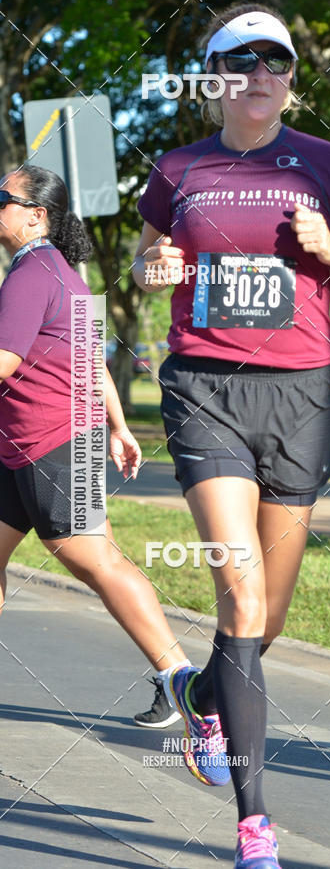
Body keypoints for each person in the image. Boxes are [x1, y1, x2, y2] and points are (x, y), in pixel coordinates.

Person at [133, 2, 330, 869]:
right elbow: (141, 267)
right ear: (214, 75)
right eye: (243, 58)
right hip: (205, 389)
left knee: (268, 621)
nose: (262, 73)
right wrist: (155, 268)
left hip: (301, 398)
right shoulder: (178, 169)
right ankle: (256, 825)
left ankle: (197, 691)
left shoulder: (329, 166)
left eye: (278, 60)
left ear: (291, 75)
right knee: (243, 602)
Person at [0, 164, 195, 730]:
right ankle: (175, 678)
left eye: (2, 197)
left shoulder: (33, 273)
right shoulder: (59, 271)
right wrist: (119, 426)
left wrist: (110, 428)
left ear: (36, 216)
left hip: (51, 442)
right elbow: (91, 358)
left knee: (96, 561)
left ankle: (183, 681)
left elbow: (5, 362)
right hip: (29, 443)